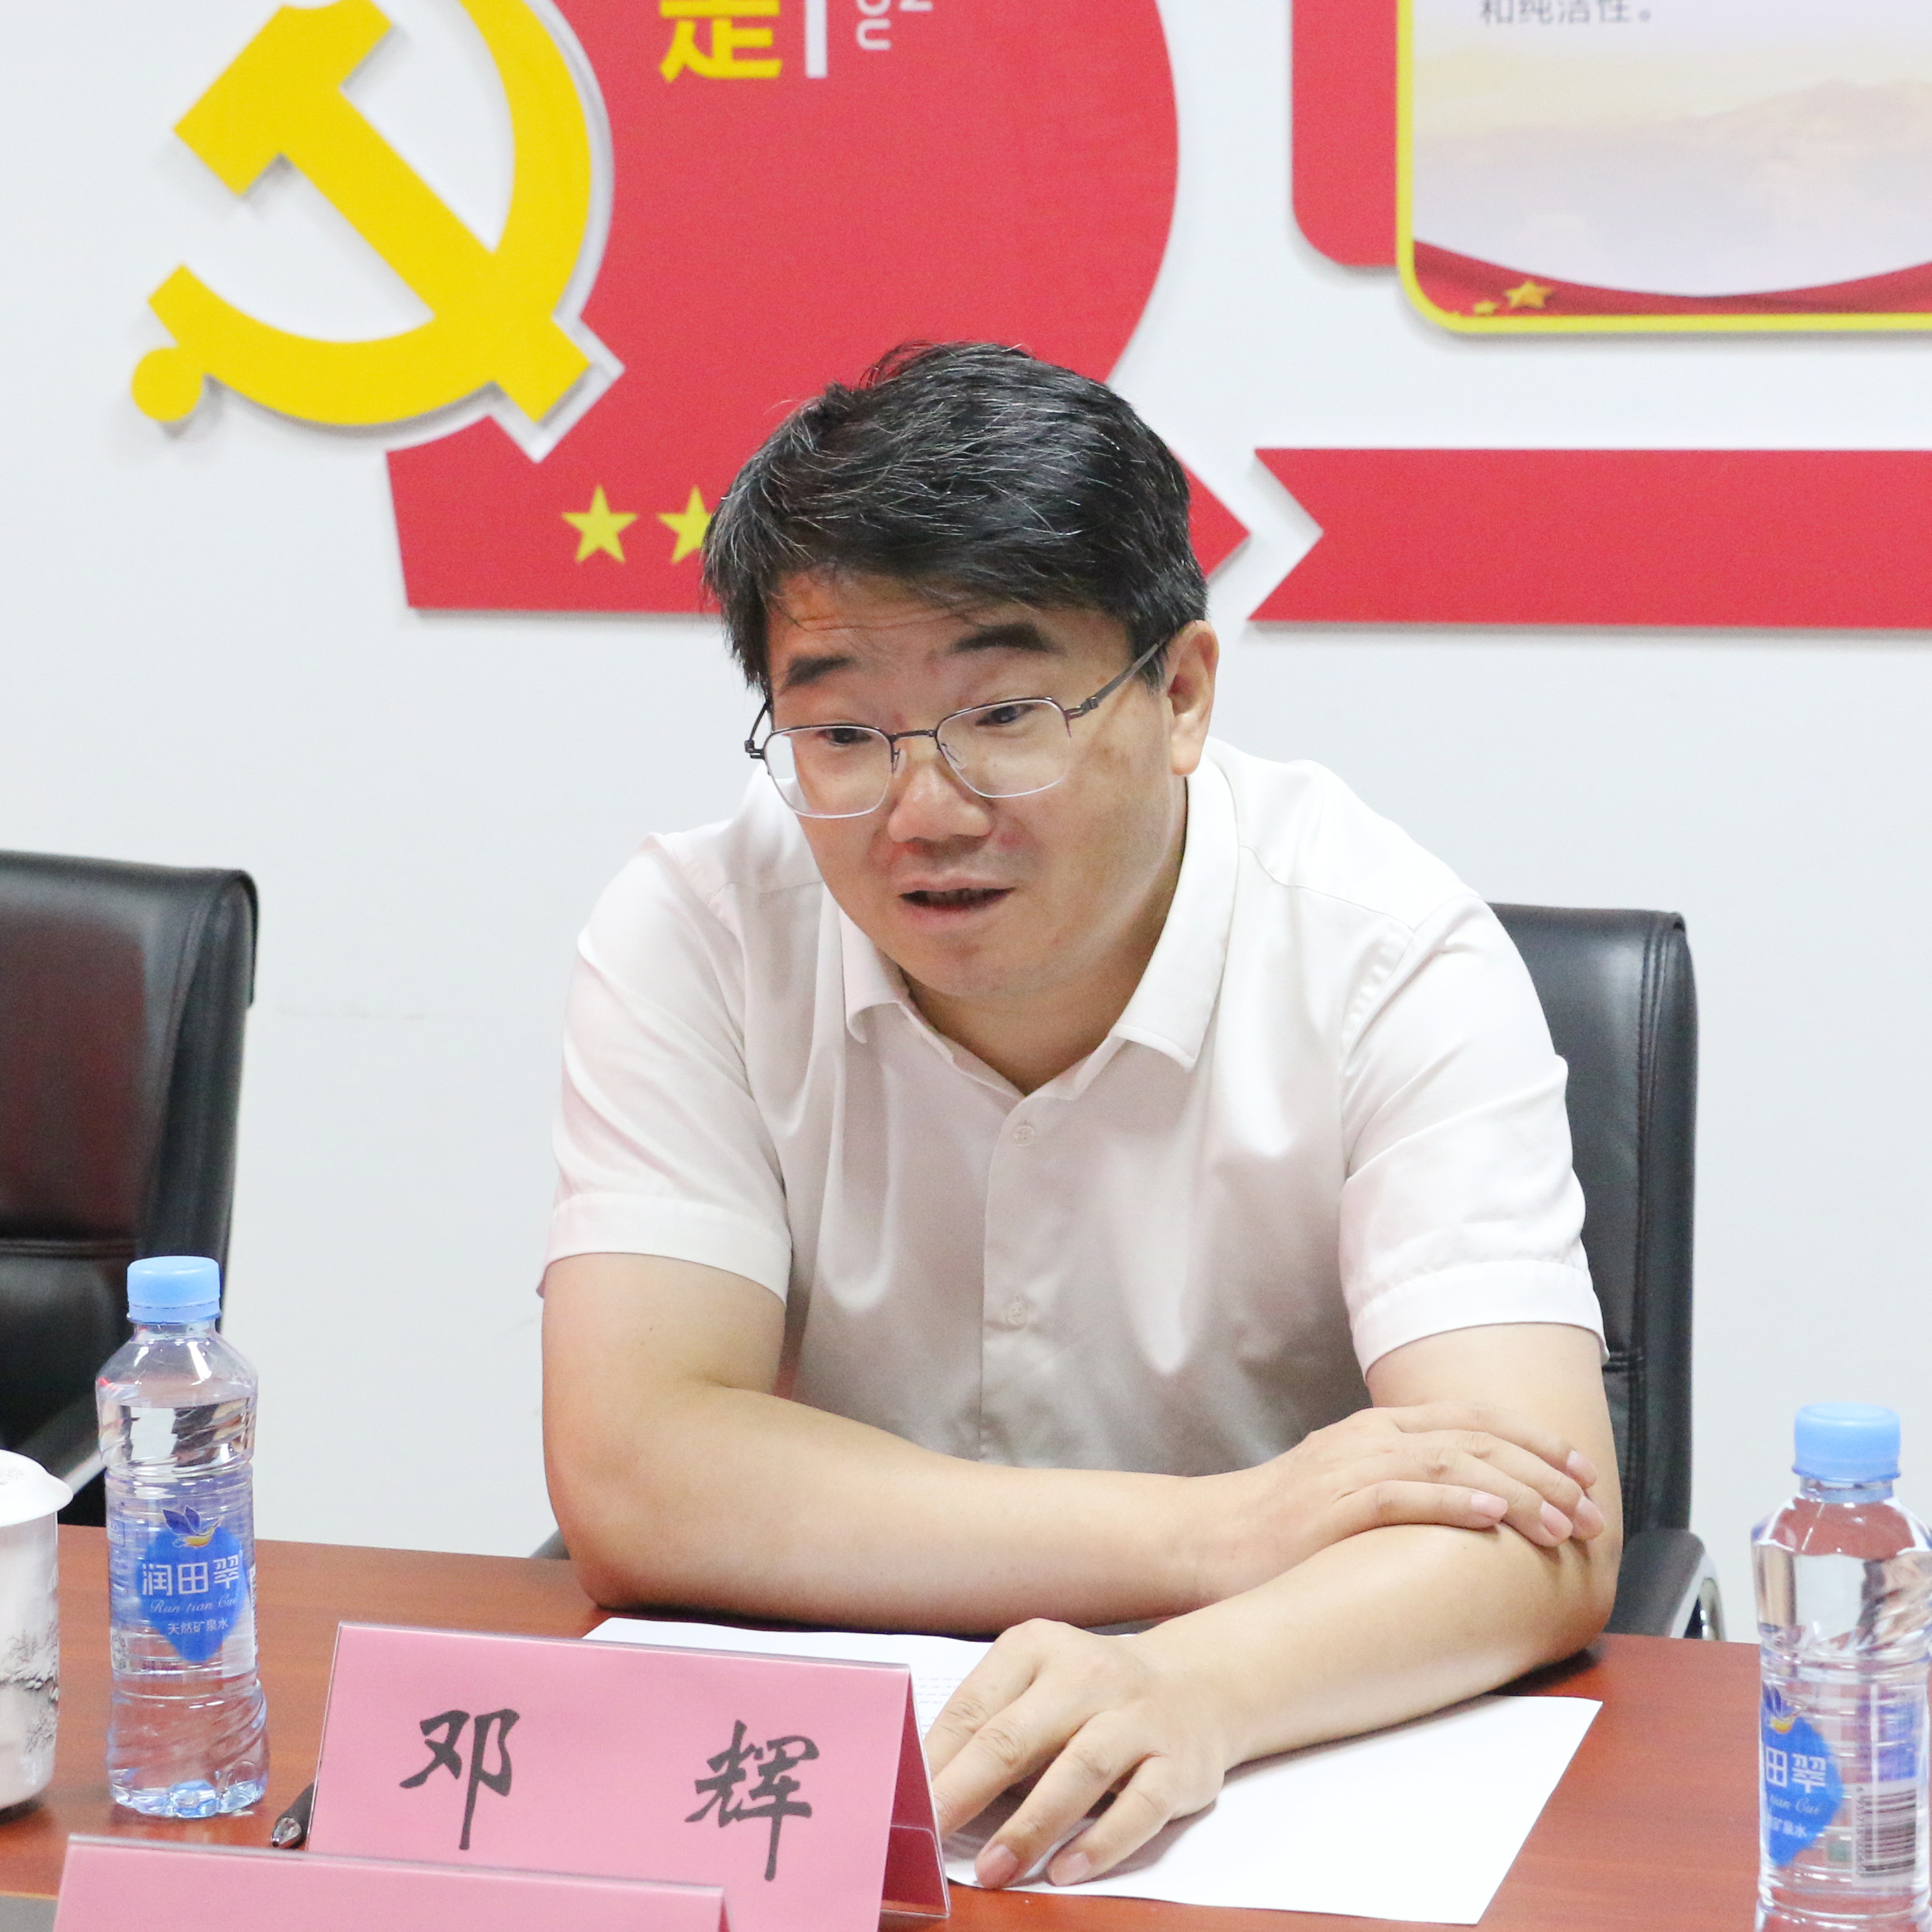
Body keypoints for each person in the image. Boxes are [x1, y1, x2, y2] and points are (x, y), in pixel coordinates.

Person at [541, 341, 1621, 1889]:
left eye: (1003, 713)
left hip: (1270, 1775)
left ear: (1178, 693)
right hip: (834, 1786)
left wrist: (1198, 1678)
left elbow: (1536, 1523)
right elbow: (637, 1467)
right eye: (840, 735)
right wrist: (1213, 1530)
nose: (923, 811)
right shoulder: (697, 931)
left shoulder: (1385, 955)